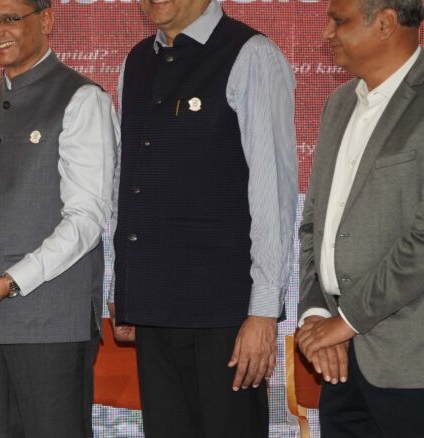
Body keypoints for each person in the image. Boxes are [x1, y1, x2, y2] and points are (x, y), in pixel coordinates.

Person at [108, 0, 297, 435]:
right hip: (153, 306)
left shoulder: (250, 54)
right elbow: (127, 180)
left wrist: (264, 313)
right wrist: (125, 285)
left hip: (225, 313)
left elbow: (273, 192)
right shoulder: (137, 61)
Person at [0, 0, 117, 436]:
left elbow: (87, 219)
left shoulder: (82, 99)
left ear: (47, 19)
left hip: (52, 322)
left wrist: (10, 281)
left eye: (10, 18)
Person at [296, 0, 424, 434]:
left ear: (386, 23)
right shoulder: (338, 104)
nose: (327, 34)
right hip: (339, 362)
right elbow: (313, 222)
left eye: (340, 21)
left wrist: (346, 320)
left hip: (412, 364)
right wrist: (315, 315)